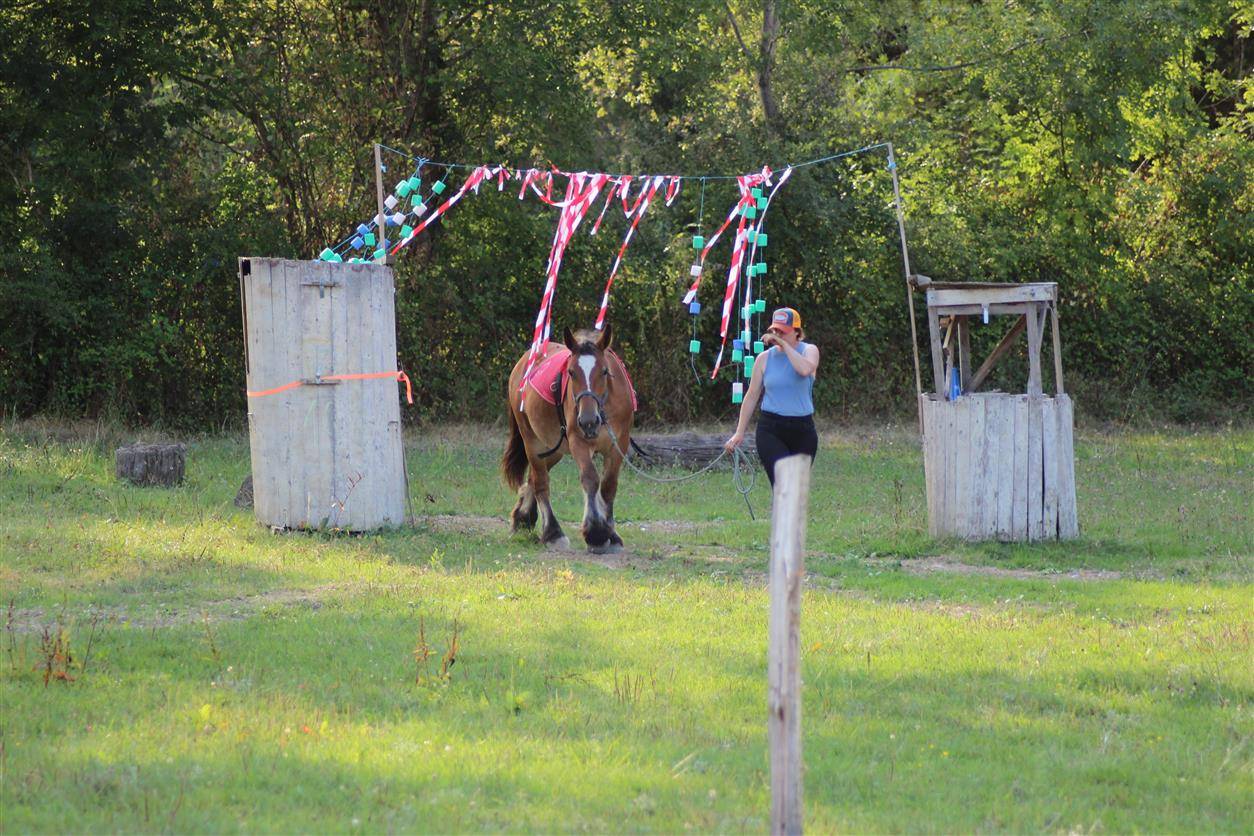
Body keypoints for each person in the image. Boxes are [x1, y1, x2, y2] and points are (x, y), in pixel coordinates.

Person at [723, 307, 820, 486]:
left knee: (796, 489)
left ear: (797, 332)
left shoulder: (809, 351)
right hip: (771, 428)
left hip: (803, 429)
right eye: (774, 330)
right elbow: (752, 395)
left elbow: (805, 369)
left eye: (782, 331)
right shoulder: (764, 358)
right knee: (783, 484)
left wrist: (785, 346)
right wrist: (739, 432)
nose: (777, 335)